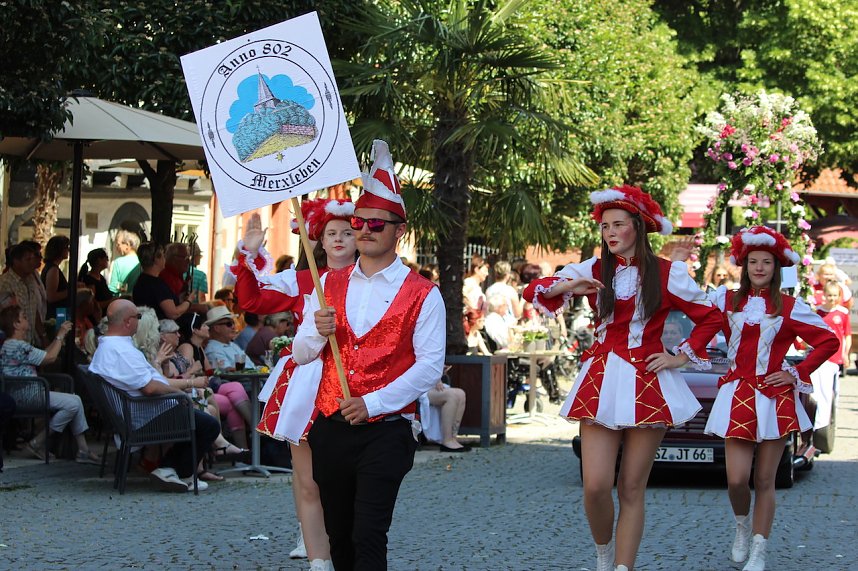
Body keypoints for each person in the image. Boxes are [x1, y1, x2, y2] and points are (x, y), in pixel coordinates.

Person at [522, 185, 722, 571]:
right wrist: (568, 286)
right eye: (605, 226)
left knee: (632, 487)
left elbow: (710, 317)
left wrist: (679, 356)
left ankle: (622, 567)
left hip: (648, 381)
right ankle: (603, 553)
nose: (609, 233)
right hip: (600, 380)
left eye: (618, 225)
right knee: (595, 486)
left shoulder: (668, 273)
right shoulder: (593, 268)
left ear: (639, 228)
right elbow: (536, 290)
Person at [293, 140, 446, 571]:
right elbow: (301, 353)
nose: (364, 229)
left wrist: (374, 403)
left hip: (387, 430)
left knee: (368, 532)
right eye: (359, 221)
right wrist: (318, 335)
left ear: (400, 231)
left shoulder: (424, 294)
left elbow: (429, 365)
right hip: (331, 426)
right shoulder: (328, 285)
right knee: (339, 532)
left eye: (377, 224)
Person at [703, 226, 838, 571]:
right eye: (753, 261)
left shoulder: (791, 306)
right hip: (736, 395)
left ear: (776, 268)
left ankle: (760, 549)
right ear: (744, 266)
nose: (759, 267)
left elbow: (828, 341)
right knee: (735, 479)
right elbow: (698, 321)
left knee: (765, 479)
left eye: (766, 262)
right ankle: (742, 528)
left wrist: (795, 371)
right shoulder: (727, 301)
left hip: (774, 398)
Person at [238, 197, 357, 569]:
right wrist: (249, 254)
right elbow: (252, 298)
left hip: (358, 381)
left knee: (350, 473)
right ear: (318, 240)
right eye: (331, 233)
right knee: (307, 477)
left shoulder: (377, 280)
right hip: (307, 381)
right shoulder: (303, 280)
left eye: (347, 232)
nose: (338, 240)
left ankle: (343, 541)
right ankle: (315, 551)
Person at [89, 299, 220, 492]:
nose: (139, 321)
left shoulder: (112, 346)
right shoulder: (120, 350)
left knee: (199, 414)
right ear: (127, 321)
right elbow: (149, 388)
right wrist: (177, 392)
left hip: (136, 412)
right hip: (144, 416)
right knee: (209, 425)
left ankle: (171, 470)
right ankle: (175, 471)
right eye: (138, 317)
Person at [0, 306, 99, 464]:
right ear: (16, 324)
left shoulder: (11, 345)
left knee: (74, 401)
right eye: (23, 317)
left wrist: (56, 340)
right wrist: (60, 336)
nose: (27, 319)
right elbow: (51, 358)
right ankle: (38, 442)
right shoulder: (19, 346)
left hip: (19, 393)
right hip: (28, 394)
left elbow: (44, 355)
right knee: (74, 403)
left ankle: (82, 449)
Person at [176, 312, 253, 450]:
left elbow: (209, 372)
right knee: (234, 389)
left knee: (234, 392)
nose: (207, 328)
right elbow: (184, 375)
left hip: (206, 386)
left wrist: (216, 369)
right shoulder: (187, 348)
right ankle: (253, 431)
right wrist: (195, 370)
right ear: (195, 329)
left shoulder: (199, 347)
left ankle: (243, 450)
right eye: (204, 325)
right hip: (193, 390)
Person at [132, 242, 192, 320]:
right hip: (157, 328)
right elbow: (173, 313)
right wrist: (189, 301)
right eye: (163, 256)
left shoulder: (141, 280)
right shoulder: (156, 285)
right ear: (156, 259)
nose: (165, 259)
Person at [0, 243, 45, 345]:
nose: (32, 263)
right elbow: (6, 318)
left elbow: (34, 310)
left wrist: (43, 336)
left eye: (32, 259)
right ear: (16, 261)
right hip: (13, 346)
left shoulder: (30, 280)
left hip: (30, 342)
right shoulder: (5, 283)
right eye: (27, 260)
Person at [203, 305, 252, 371]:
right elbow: (226, 373)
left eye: (233, 323)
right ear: (217, 328)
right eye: (229, 324)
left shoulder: (233, 345)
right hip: (244, 380)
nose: (233, 327)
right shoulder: (212, 350)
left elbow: (251, 366)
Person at [41, 235, 71, 320]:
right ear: (59, 249)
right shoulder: (53, 269)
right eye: (66, 247)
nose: (68, 250)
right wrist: (71, 291)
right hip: (56, 314)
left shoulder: (53, 267)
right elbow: (51, 296)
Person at [108, 229, 142, 295]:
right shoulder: (142, 261)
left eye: (118, 244)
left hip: (123, 300)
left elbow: (113, 287)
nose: (117, 247)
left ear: (127, 245)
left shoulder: (118, 262)